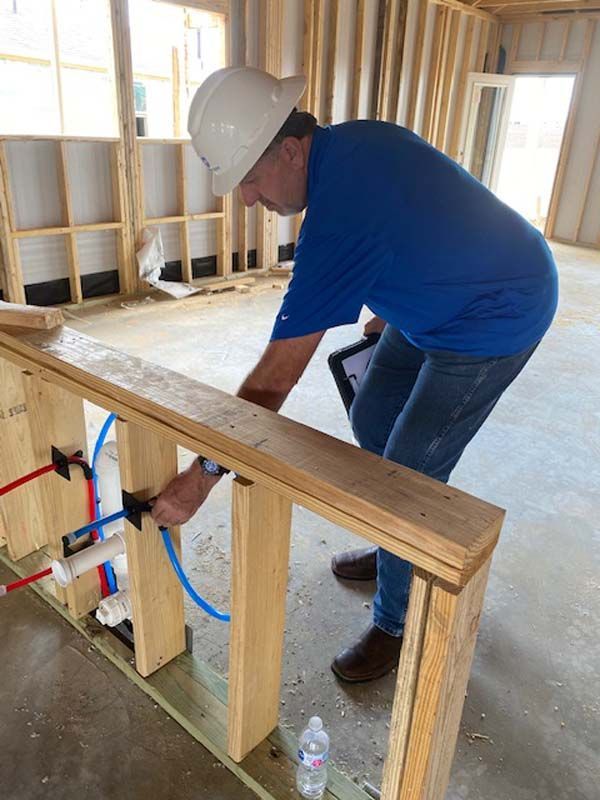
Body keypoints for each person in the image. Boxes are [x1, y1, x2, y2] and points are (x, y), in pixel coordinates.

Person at [151, 66, 558, 683]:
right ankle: (393, 546)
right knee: (372, 414)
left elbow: (272, 383)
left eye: (252, 179)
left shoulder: (338, 217)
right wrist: (388, 305)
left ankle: (395, 622)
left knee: (410, 475)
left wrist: (201, 476)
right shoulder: (354, 143)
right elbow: (421, 219)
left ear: (289, 150)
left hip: (496, 313)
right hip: (436, 304)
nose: (248, 199)